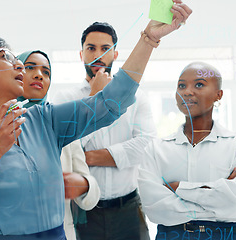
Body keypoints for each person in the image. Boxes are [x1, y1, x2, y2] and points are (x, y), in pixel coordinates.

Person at [0, 3, 191, 239]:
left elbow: (112, 101)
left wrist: (148, 39)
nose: (19, 65)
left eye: (17, 58)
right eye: (5, 57)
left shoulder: (44, 119)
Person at [52, 21, 157, 240]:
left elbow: (146, 147)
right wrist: (93, 98)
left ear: (116, 54)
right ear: (81, 54)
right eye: (91, 48)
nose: (98, 55)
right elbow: (63, 149)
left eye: (105, 48)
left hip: (129, 207)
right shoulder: (65, 99)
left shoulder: (137, 98)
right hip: (84, 211)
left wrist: (85, 156)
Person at [138, 62, 236, 240]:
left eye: (199, 84)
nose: (187, 92)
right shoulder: (156, 149)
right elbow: (155, 209)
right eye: (181, 85)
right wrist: (222, 192)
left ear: (218, 95)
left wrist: (177, 188)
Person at [16, 50, 101, 240]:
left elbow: (90, 194)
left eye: (46, 72)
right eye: (29, 68)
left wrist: (83, 185)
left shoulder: (60, 125)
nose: (39, 75)